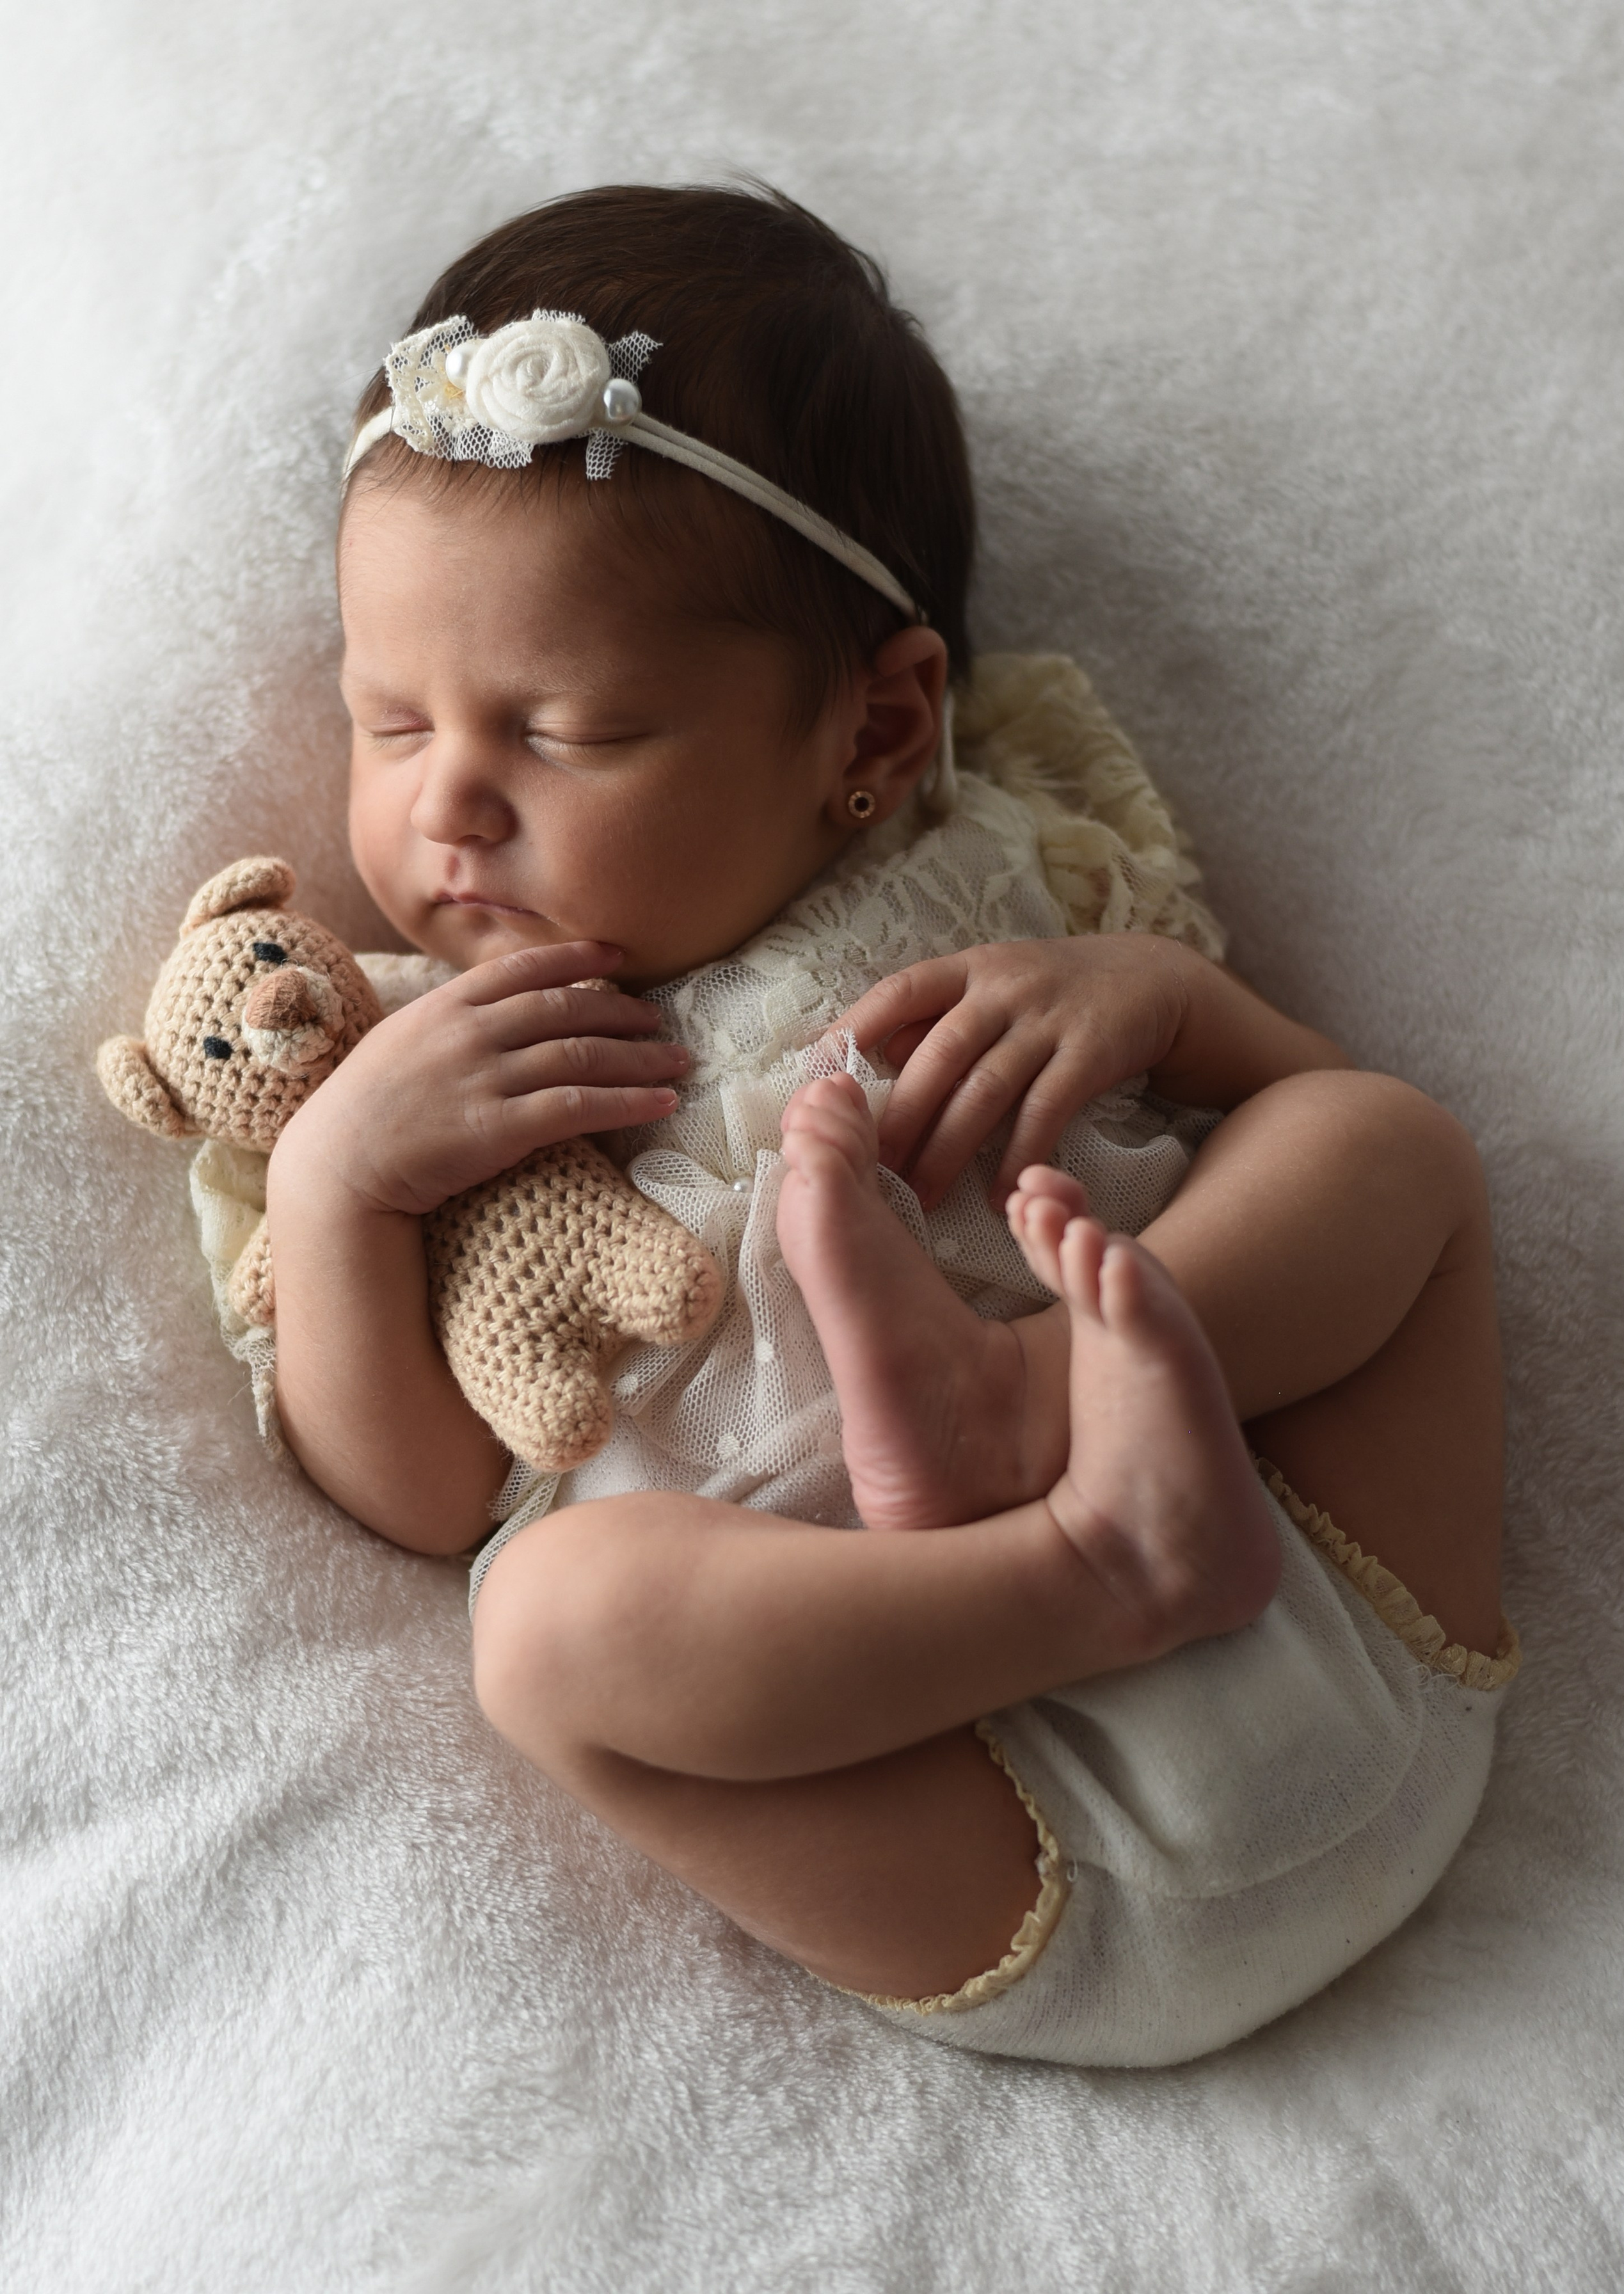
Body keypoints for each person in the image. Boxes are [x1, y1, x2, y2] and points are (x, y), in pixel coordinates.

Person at [264, 182, 1517, 2066]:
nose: (451, 808)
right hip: (989, 1828)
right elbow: (425, 1493)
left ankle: (1024, 1412)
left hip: (1353, 1631)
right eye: (389, 723)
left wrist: (1165, 1005)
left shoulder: (1013, 867)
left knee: (1390, 1146)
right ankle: (1080, 1564)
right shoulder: (420, 1061)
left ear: (871, 733)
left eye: (564, 732)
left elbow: (1311, 1130)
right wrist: (340, 1179)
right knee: (544, 1622)